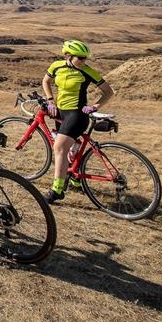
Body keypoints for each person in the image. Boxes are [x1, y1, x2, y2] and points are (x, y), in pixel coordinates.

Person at [41, 39, 114, 204]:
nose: (83, 61)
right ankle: (75, 178)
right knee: (69, 149)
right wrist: (50, 100)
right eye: (80, 58)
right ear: (68, 55)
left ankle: (57, 190)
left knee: (59, 147)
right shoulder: (56, 66)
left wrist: (95, 106)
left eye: (85, 58)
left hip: (77, 115)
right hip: (61, 113)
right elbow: (46, 81)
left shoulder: (87, 71)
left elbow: (108, 92)